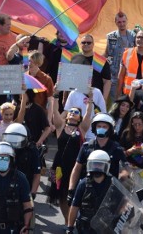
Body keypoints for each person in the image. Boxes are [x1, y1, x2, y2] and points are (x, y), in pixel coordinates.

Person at [67, 113, 129, 201]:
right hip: (87, 190)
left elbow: (125, 170)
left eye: (104, 127)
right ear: (94, 128)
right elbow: (77, 169)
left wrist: (123, 175)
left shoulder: (117, 149)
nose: (101, 128)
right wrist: (71, 189)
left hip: (108, 193)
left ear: (110, 129)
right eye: (99, 126)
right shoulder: (86, 147)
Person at [49, 96, 91, 224]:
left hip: (76, 166)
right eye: (71, 111)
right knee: (61, 194)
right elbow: (55, 112)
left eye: (76, 112)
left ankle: (74, 219)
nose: (72, 113)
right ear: (67, 116)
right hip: (59, 166)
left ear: (79, 117)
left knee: (75, 194)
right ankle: (68, 222)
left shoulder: (82, 129)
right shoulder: (60, 126)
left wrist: (90, 101)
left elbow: (88, 114)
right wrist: (55, 96)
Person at [66, 150, 115, 234]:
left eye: (100, 165)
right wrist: (70, 227)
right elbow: (74, 207)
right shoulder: (83, 184)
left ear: (106, 166)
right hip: (85, 227)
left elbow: (120, 206)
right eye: (94, 165)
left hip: (104, 228)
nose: (97, 168)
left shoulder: (113, 184)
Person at [2, 123, 41, 200]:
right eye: (11, 139)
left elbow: (37, 174)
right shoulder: (4, 149)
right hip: (5, 188)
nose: (14, 144)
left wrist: (32, 194)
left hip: (25, 188)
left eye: (17, 139)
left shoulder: (32, 150)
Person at [71, 34, 112, 101]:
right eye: (83, 42)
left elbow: (107, 82)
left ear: (93, 44)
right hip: (76, 97)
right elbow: (70, 79)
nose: (86, 44)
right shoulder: (74, 58)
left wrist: (104, 99)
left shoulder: (101, 60)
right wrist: (65, 97)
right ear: (80, 44)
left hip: (94, 98)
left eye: (89, 43)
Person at [105, 11, 136, 99]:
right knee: (115, 99)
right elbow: (106, 53)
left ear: (127, 21)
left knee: (128, 100)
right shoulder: (111, 36)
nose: (122, 24)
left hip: (129, 74)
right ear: (116, 22)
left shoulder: (134, 36)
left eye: (123, 21)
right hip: (114, 74)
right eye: (119, 22)